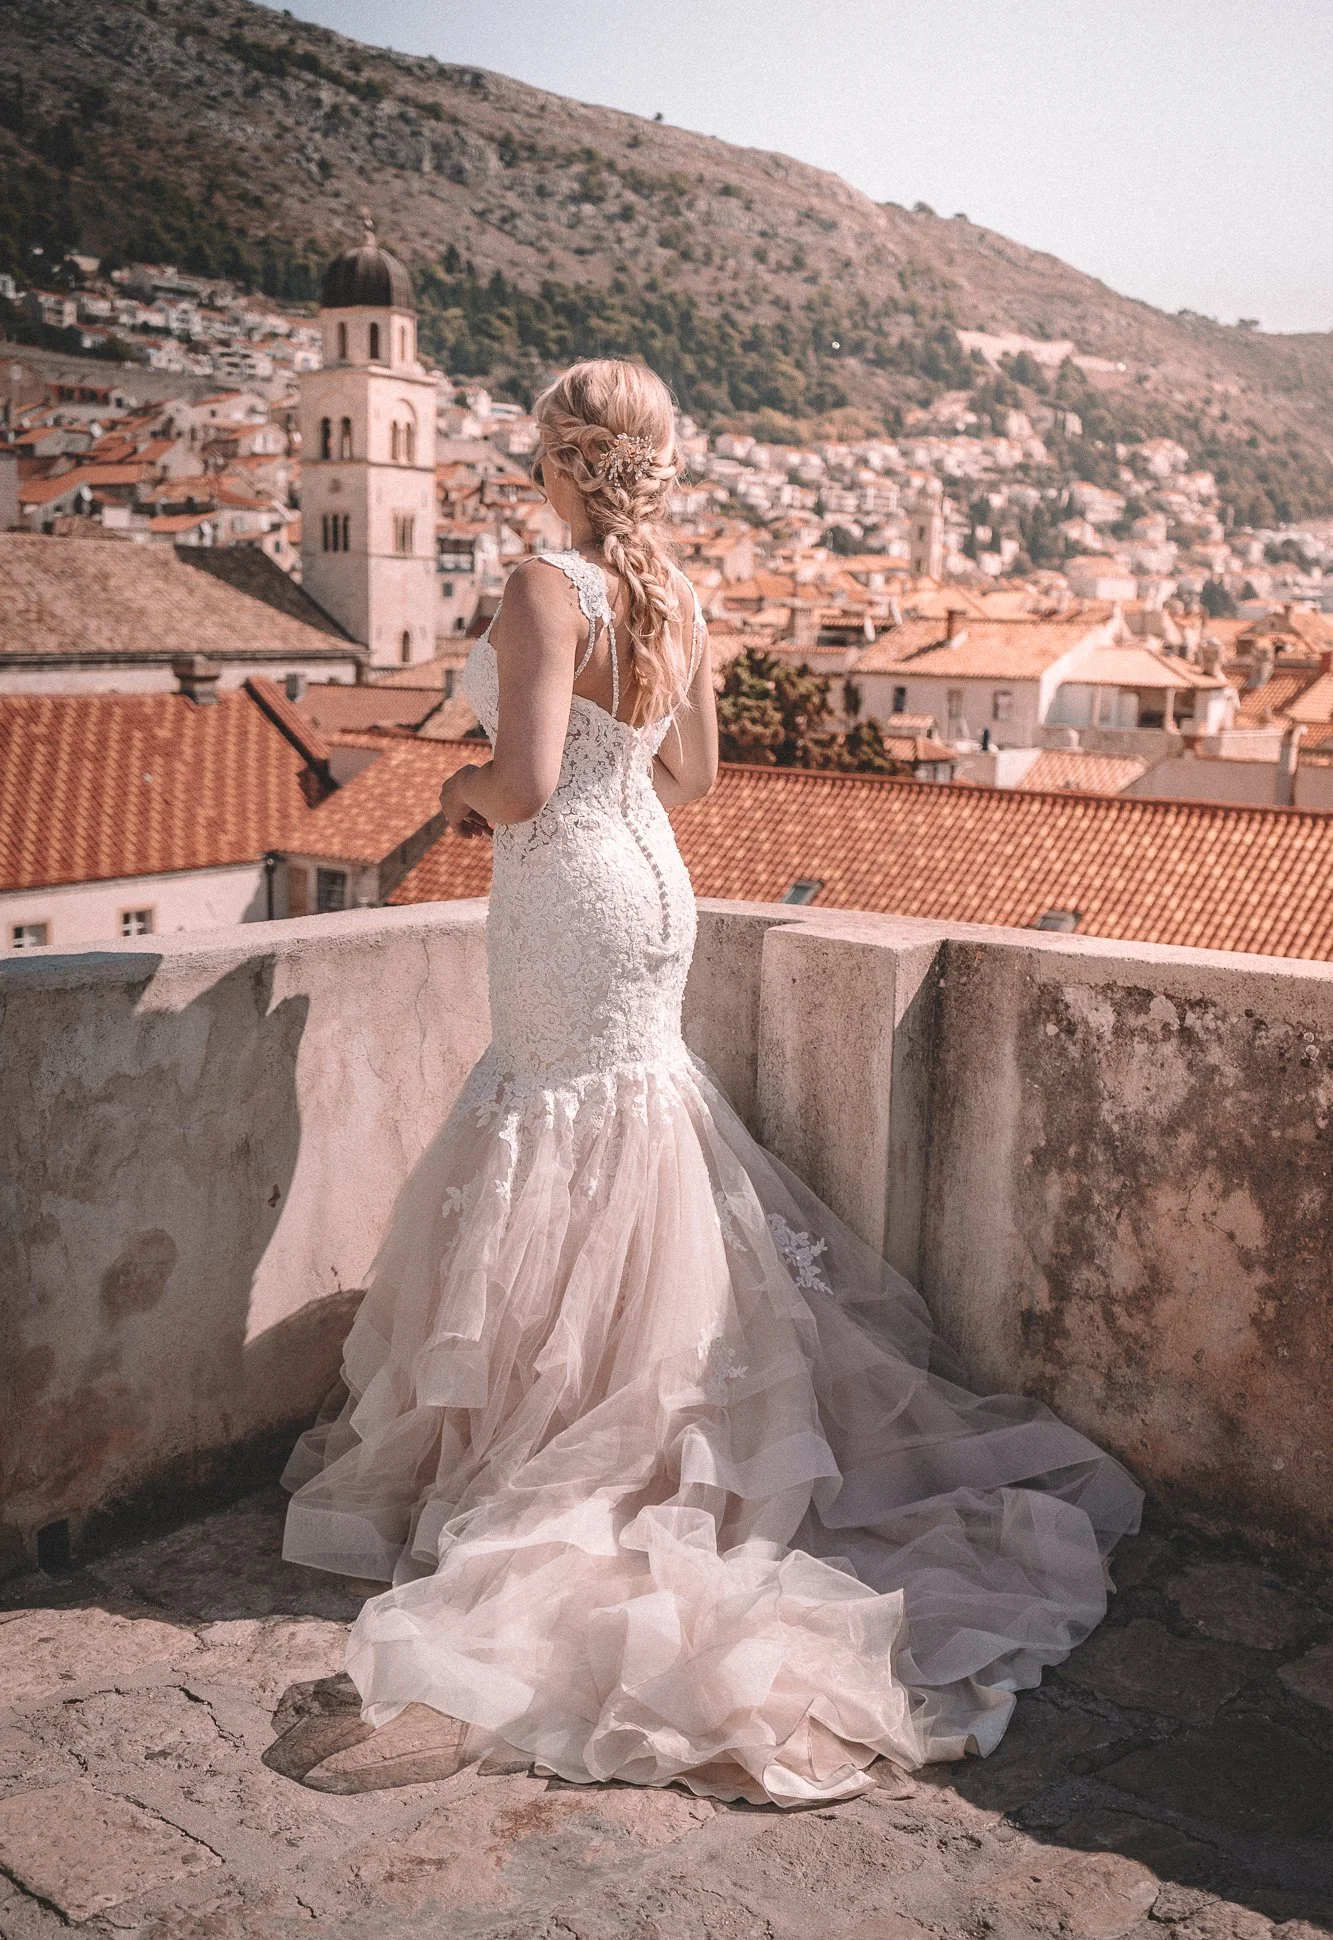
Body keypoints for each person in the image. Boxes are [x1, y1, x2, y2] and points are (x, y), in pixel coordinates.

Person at [280, 358, 1141, 1807]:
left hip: (567, 889)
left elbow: (533, 781)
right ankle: (636, 1416)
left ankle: (554, 1444)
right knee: (632, 1125)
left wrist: (453, 795)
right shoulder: (672, 591)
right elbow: (698, 779)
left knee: (553, 1121)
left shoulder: (546, 586)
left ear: (554, 452)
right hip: (657, 889)